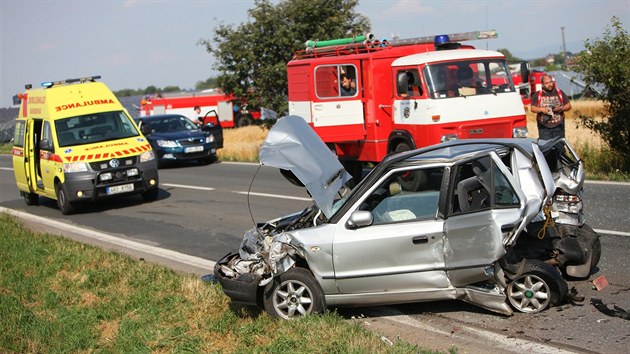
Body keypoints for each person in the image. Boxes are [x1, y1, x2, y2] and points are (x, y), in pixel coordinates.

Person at [530, 75, 571, 140]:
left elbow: (568, 106)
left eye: (550, 82)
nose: (549, 84)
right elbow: (533, 108)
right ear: (542, 85)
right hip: (544, 127)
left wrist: (560, 108)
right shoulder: (538, 95)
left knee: (559, 147)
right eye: (546, 83)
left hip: (559, 126)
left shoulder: (559, 92)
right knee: (546, 147)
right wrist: (543, 110)